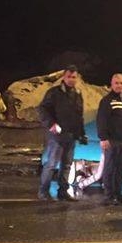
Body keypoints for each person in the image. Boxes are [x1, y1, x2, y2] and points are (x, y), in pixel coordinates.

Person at [38, 66, 87, 201]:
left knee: (67, 165)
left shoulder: (77, 94)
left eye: (74, 77)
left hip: (71, 135)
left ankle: (63, 192)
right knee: (51, 164)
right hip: (56, 135)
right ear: (64, 77)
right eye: (69, 77)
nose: (71, 79)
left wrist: (81, 133)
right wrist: (51, 124)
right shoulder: (54, 93)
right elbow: (42, 109)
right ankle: (43, 192)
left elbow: (79, 116)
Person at [97, 73, 122, 205]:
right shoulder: (107, 101)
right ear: (112, 84)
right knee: (110, 169)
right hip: (111, 140)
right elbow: (101, 120)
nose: (119, 85)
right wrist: (103, 138)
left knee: (121, 169)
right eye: (116, 83)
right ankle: (109, 196)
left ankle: (119, 194)